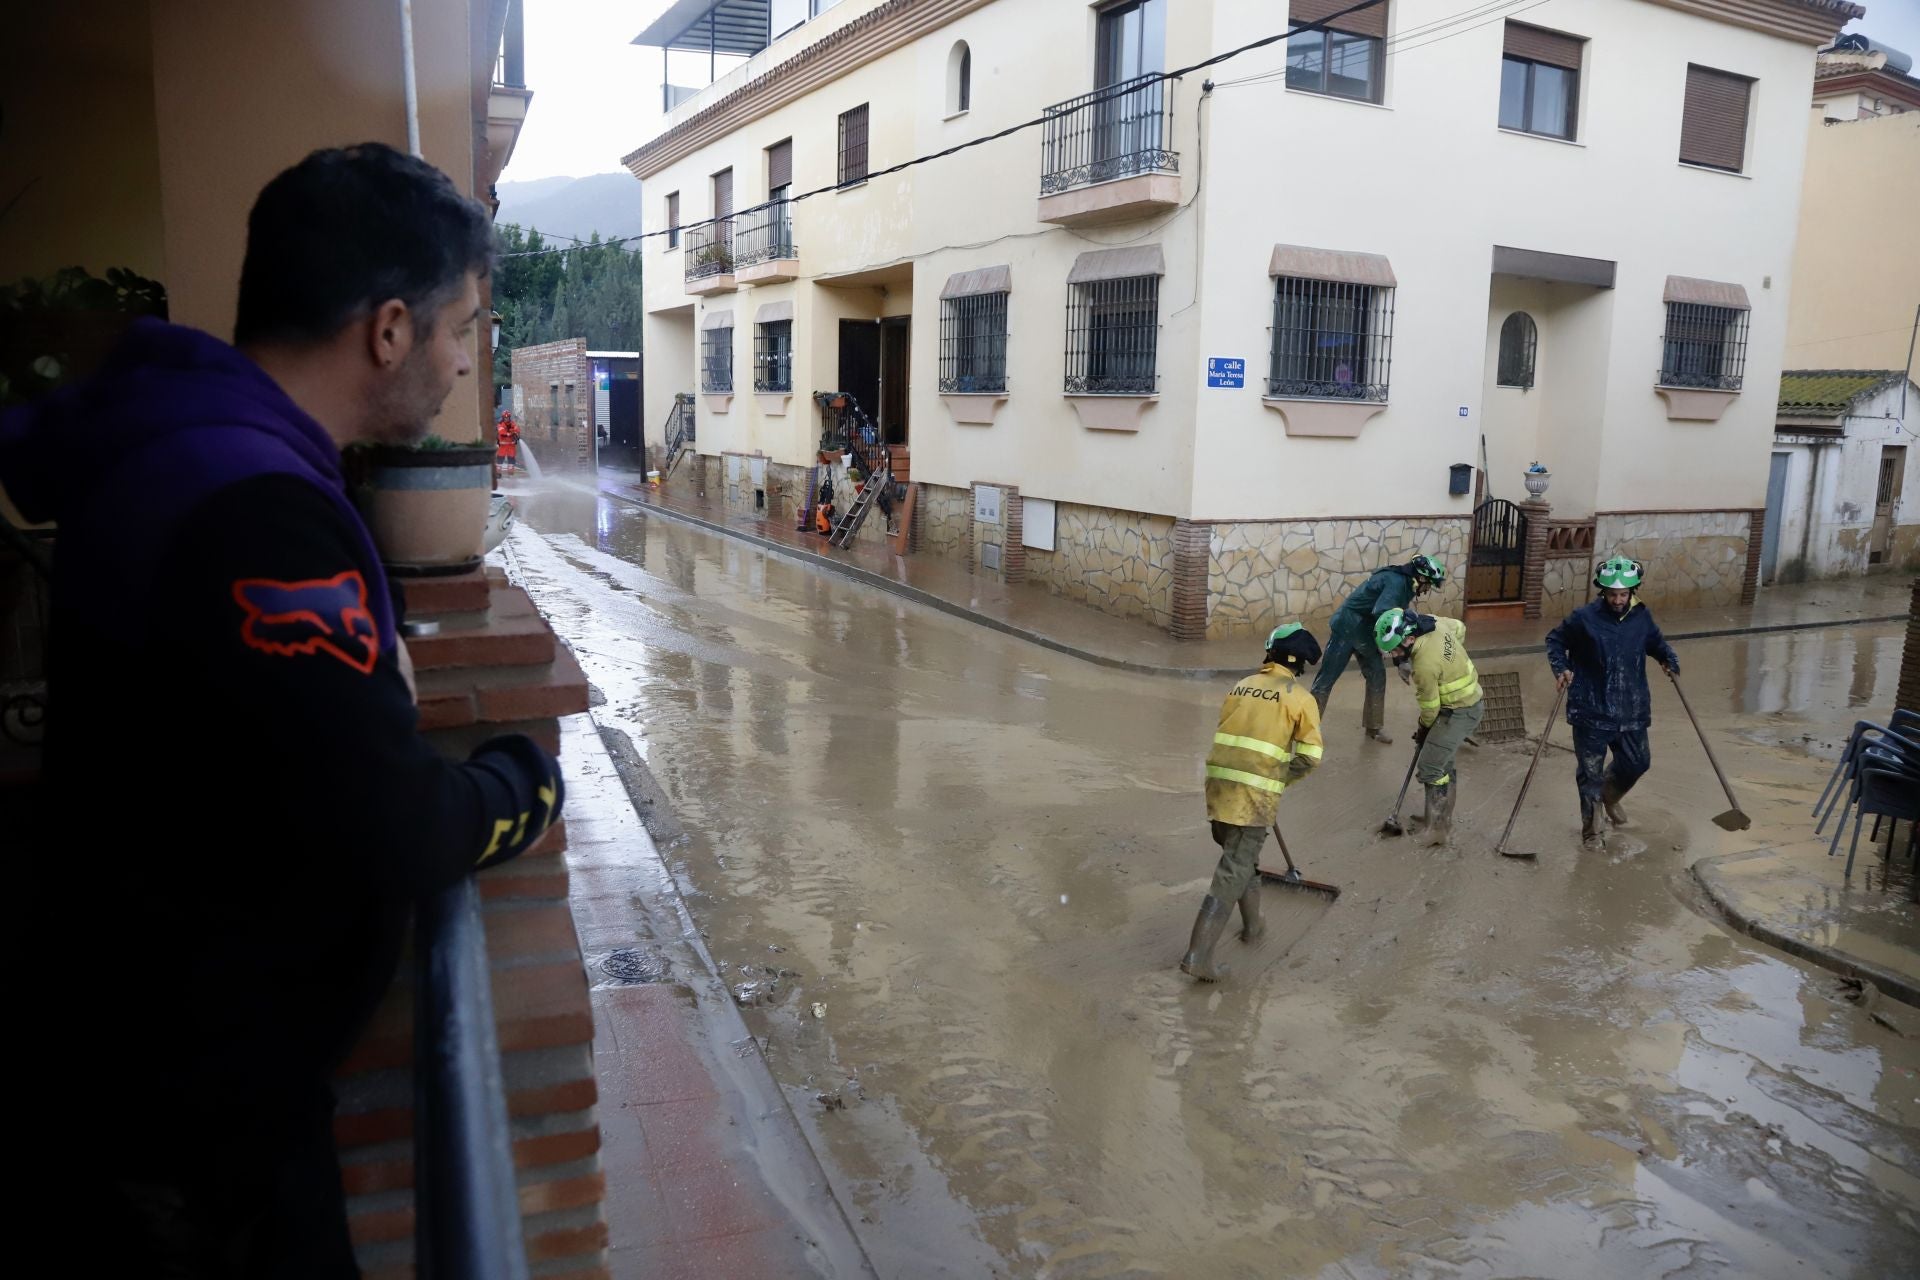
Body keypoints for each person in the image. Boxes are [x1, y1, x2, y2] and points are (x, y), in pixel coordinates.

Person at [1, 142, 565, 1273]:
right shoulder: (255, 508)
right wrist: (524, 783)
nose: (463, 363)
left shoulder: (190, 445)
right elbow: (398, 824)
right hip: (196, 1128)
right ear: (390, 329)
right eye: (459, 328)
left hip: (147, 1070)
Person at [1182, 623, 1325, 982]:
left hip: (1218, 785)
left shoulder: (1241, 685)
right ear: (1299, 664)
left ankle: (1253, 927)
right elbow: (1309, 757)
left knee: (1240, 857)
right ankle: (1197, 957)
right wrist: (1277, 780)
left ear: (1270, 654)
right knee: (1233, 870)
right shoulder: (1301, 698)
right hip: (1255, 795)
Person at [1545, 555, 1681, 851]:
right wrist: (1561, 668)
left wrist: (1668, 660)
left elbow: (1656, 644)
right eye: (1612, 594)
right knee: (1590, 772)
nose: (1618, 600)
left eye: (1623, 594)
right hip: (1590, 709)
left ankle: (1611, 794)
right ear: (1602, 591)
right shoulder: (1583, 619)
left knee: (1638, 762)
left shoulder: (1641, 617)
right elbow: (1555, 641)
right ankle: (1592, 832)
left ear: (1632, 591)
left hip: (1631, 708)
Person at [1311, 554, 1447, 745]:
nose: (1428, 589)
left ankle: (1374, 727)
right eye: (1429, 584)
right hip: (1347, 627)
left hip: (1366, 632)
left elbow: (1395, 620)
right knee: (1326, 679)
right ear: (1422, 577)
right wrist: (1399, 657)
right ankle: (1306, 730)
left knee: (1377, 675)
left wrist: (1400, 660)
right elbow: (1384, 614)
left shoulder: (1406, 585)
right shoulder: (1397, 583)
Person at [1376, 606, 1483, 847]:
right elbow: (1460, 628)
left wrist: (1423, 729)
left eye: (1394, 650)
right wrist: (1451, 657)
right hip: (1466, 700)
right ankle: (1436, 818)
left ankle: (1438, 829)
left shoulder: (1424, 666)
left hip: (1460, 710)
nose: (1393, 655)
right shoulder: (1434, 622)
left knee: (1431, 767)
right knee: (1442, 761)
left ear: (1410, 639)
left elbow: (1430, 709)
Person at [496, 407, 520, 473]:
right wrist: (510, 434)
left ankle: (510, 471)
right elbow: (502, 433)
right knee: (500, 458)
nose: (506, 419)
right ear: (503, 418)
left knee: (511, 458)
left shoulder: (513, 424)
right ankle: (498, 472)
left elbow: (517, 429)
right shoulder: (500, 424)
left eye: (507, 417)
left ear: (509, 417)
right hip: (502, 446)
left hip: (511, 445)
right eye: (505, 418)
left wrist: (516, 434)